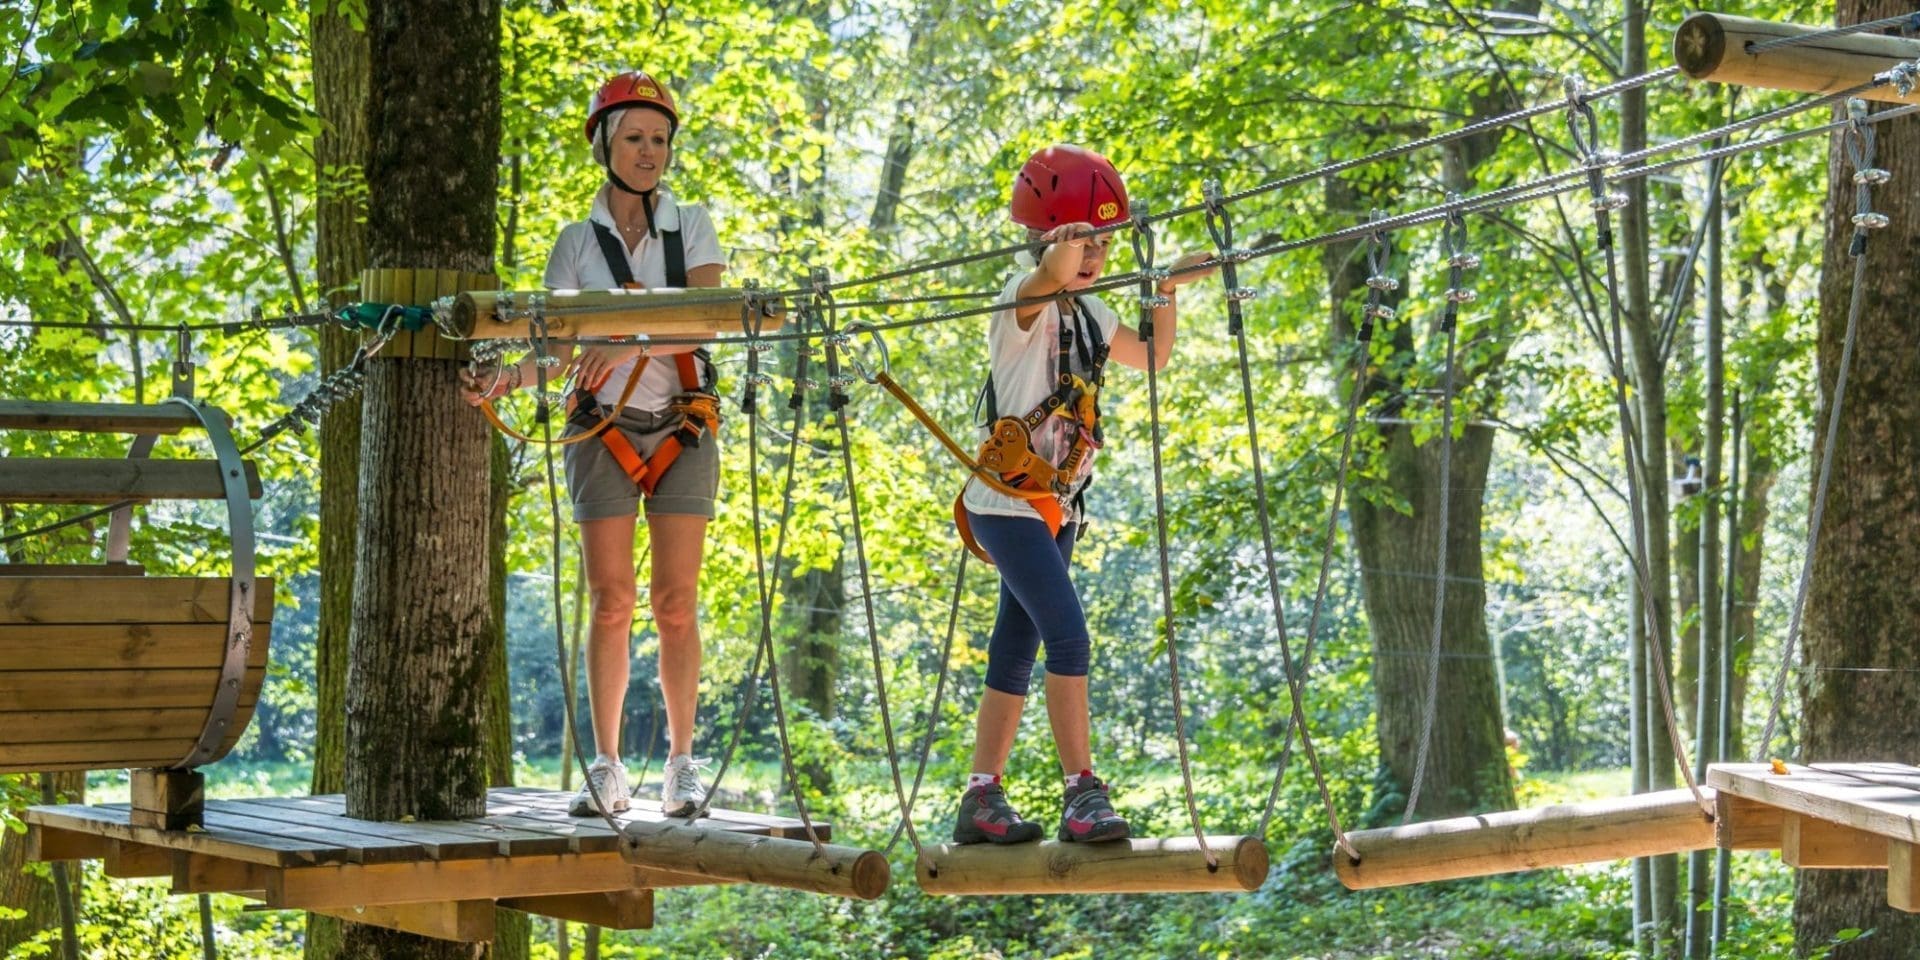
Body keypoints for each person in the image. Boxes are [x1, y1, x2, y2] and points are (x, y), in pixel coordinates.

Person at [463, 70, 726, 818]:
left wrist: (623, 332)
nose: (651, 153)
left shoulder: (691, 226)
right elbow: (555, 350)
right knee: (610, 602)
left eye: (661, 141)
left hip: (683, 424)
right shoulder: (577, 243)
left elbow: (706, 319)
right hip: (600, 430)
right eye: (636, 138)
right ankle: (607, 765)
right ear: (607, 144)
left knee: (676, 603)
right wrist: (508, 381)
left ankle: (681, 763)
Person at [950, 144, 1215, 845]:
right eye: (1080, 239)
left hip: (1056, 507)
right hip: (1007, 505)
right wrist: (1059, 251)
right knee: (1068, 635)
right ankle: (1082, 792)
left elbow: (1152, 354)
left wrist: (1168, 287)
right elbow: (1049, 277)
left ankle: (981, 795)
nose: (1095, 254)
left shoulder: (1092, 312)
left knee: (1015, 645)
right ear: (1045, 239)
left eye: (1103, 240)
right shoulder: (1021, 297)